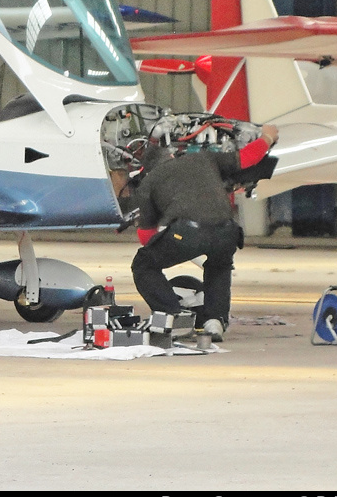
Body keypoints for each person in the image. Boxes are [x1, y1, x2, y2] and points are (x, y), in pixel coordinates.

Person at [117, 124, 279, 342]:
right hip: (227, 231)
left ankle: (174, 318)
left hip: (187, 232)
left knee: (144, 264)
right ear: (174, 153)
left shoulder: (149, 181)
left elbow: (147, 238)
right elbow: (246, 158)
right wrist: (268, 137)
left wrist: (155, 226)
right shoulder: (205, 159)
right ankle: (215, 321)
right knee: (219, 266)